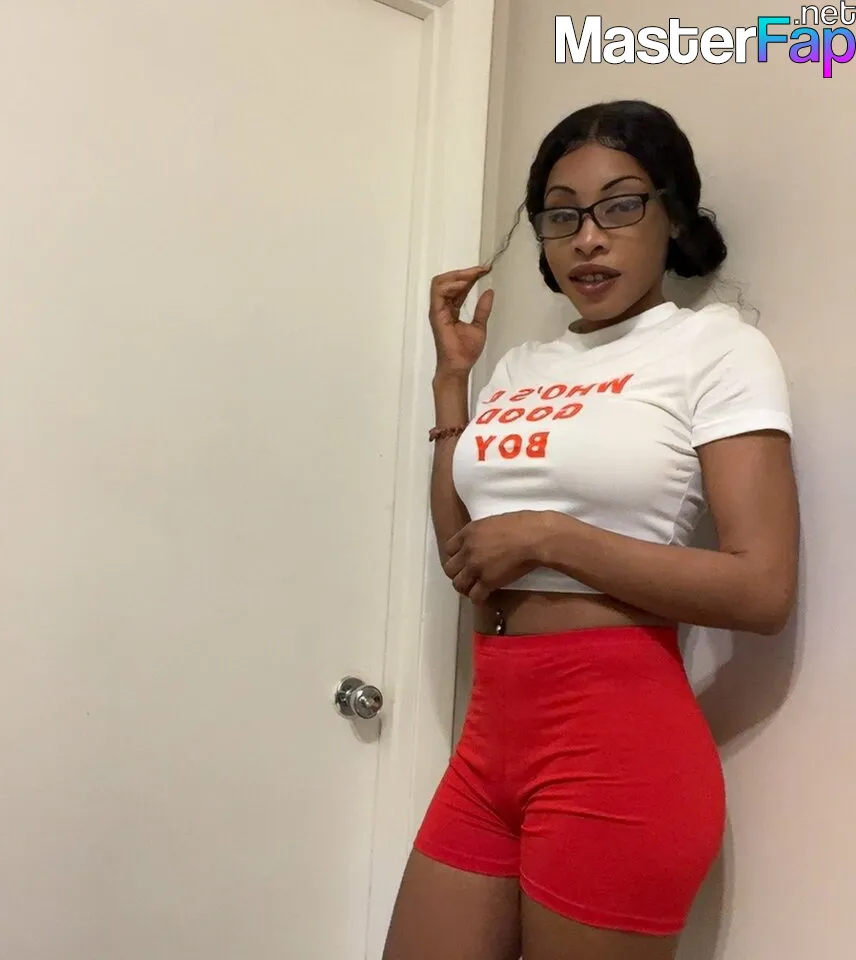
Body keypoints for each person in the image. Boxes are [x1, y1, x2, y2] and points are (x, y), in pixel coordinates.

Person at [380, 100, 799, 960]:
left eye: (620, 205)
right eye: (562, 215)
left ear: (672, 215)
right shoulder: (522, 365)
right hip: (492, 734)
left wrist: (550, 536)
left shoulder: (715, 349)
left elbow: (762, 589)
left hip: (619, 744)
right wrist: (453, 384)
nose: (588, 238)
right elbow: (466, 557)